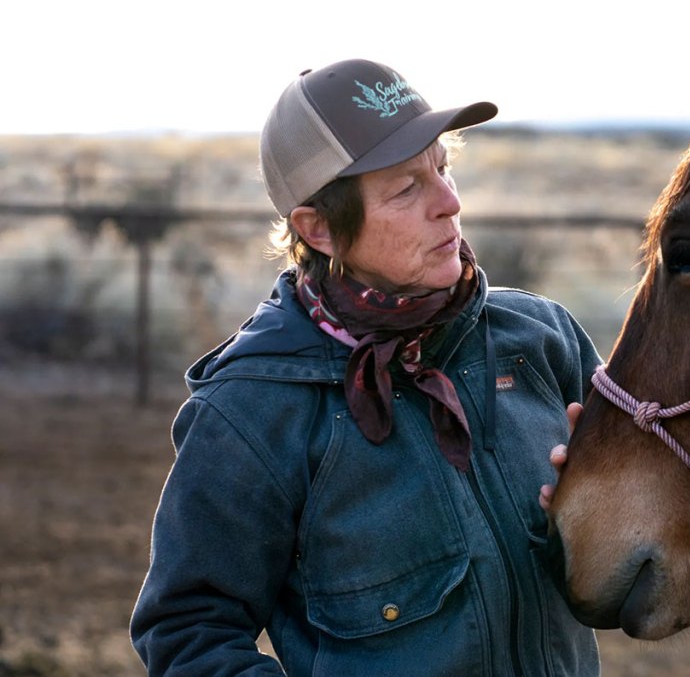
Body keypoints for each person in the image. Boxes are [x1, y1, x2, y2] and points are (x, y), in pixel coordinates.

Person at [130, 58, 603, 676]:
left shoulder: (542, 341)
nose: (450, 202)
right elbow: (188, 630)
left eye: (442, 167)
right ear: (319, 228)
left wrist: (598, 516)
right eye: (406, 188)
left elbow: (637, 567)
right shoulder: (253, 410)